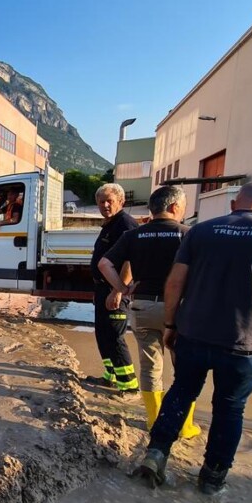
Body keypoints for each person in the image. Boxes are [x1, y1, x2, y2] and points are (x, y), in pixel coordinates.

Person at [136, 180, 252, 495]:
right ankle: (212, 478)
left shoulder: (201, 231)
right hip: (245, 343)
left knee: (181, 392)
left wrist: (172, 325)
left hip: (194, 334)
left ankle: (157, 452)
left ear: (233, 205)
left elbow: (174, 283)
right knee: (230, 408)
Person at [98, 185, 200, 439]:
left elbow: (104, 263)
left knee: (150, 366)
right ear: (175, 207)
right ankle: (184, 426)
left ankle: (155, 422)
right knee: (184, 368)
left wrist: (121, 288)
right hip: (177, 309)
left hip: (142, 307)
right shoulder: (189, 234)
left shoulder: (135, 235)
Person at [88, 183, 140, 394]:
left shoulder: (126, 224)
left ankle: (129, 386)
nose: (106, 205)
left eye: (110, 201)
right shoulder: (110, 224)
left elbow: (130, 261)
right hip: (103, 290)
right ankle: (111, 376)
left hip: (115, 291)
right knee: (103, 334)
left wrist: (118, 290)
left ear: (121, 202)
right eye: (102, 202)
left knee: (114, 337)